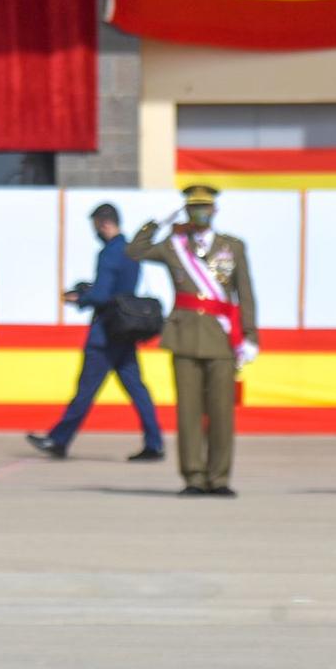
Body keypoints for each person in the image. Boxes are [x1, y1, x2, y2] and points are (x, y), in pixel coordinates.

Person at [129, 184, 257, 497]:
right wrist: (158, 222)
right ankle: (194, 477)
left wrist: (250, 335)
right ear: (186, 211)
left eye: (204, 206)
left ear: (214, 210)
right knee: (188, 411)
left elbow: (245, 292)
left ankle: (220, 477)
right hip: (184, 335)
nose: (199, 212)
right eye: (193, 207)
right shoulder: (173, 246)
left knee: (221, 412)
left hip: (222, 337)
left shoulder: (232, 247)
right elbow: (135, 251)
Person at [27, 203, 165, 462]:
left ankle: (59, 439)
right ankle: (154, 442)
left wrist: (79, 297)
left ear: (104, 224)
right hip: (126, 331)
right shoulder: (131, 252)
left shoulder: (108, 253)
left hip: (105, 332)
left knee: (86, 389)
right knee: (137, 389)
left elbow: (102, 295)